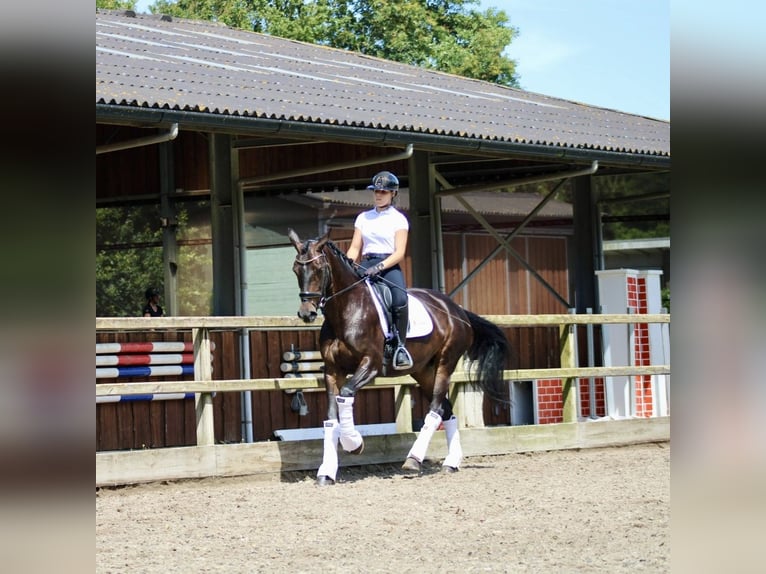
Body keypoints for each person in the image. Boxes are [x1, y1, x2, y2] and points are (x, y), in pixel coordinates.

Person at [346, 171, 413, 370]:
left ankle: (400, 346)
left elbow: (399, 252)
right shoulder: (363, 218)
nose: (378, 195)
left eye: (383, 191)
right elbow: (355, 247)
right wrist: (348, 264)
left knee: (400, 299)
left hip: (388, 264)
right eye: (376, 191)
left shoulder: (399, 219)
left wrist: (379, 268)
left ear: (393, 193)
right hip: (366, 262)